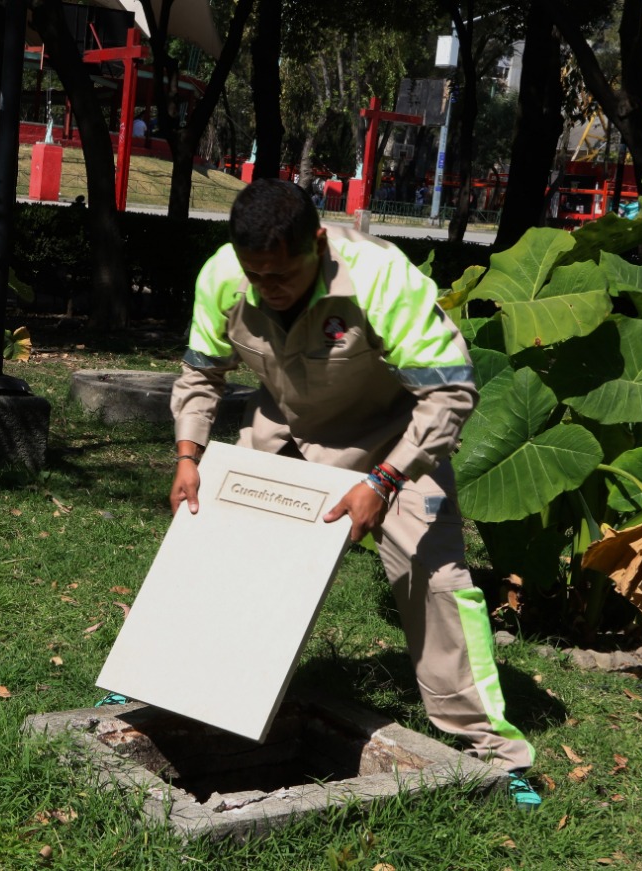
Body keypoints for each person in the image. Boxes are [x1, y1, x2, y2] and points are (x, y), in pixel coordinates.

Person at [168, 178, 540, 810]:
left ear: (318, 242)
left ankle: (496, 757)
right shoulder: (224, 278)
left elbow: (449, 391)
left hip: (393, 439)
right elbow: (201, 375)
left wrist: (385, 481)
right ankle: (172, 691)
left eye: (283, 273)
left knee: (438, 580)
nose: (271, 288)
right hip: (284, 429)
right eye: (257, 276)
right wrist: (187, 457)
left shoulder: (377, 276)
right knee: (212, 544)